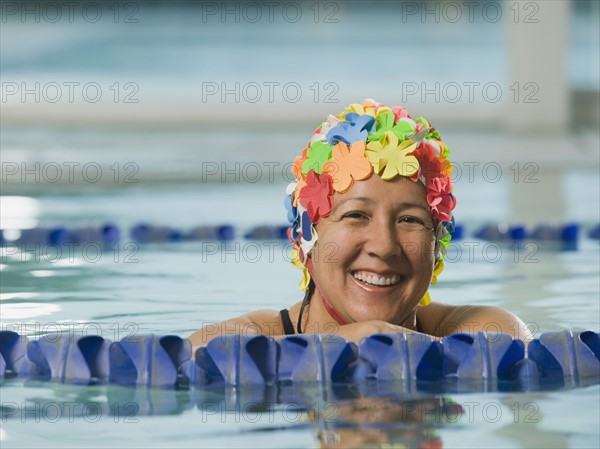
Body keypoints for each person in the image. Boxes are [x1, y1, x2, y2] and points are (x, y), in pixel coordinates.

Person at [189, 99, 532, 348]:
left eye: (409, 219)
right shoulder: (235, 344)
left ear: (438, 244)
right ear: (305, 235)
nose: (384, 246)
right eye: (356, 215)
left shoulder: (486, 332)